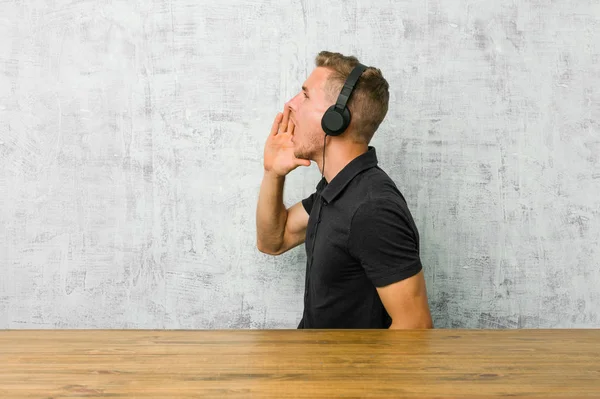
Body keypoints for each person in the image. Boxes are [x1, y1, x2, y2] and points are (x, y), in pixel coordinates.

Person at [256, 51, 433, 329]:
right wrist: (273, 173)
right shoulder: (336, 190)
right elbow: (273, 241)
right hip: (314, 363)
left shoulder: (372, 209)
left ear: (336, 118)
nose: (290, 105)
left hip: (343, 373)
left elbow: (415, 327)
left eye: (305, 96)